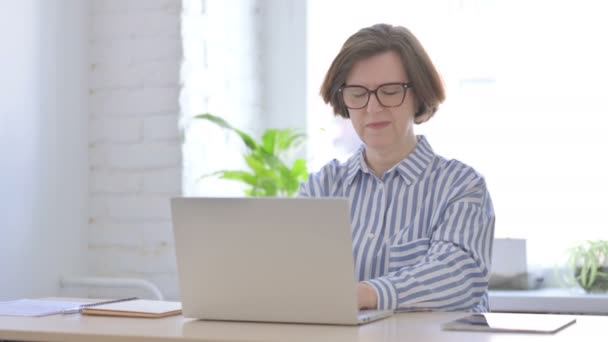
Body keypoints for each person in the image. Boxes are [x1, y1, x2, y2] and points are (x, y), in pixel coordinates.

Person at [299, 23, 495, 312]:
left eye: (390, 92)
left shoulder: (461, 186)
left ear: (418, 94)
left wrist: (365, 294)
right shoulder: (321, 188)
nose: (373, 108)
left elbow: (459, 278)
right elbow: (295, 276)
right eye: (357, 93)